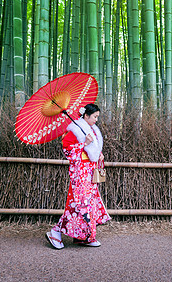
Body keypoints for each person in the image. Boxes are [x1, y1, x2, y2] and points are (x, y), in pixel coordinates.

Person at [46, 103, 111, 249]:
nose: (96, 120)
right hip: (80, 173)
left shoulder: (91, 130)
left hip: (89, 172)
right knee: (81, 203)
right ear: (86, 116)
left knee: (86, 204)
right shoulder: (74, 130)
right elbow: (67, 150)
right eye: (94, 117)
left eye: (97, 117)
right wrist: (83, 144)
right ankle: (56, 231)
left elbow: (92, 151)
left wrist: (98, 155)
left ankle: (83, 236)